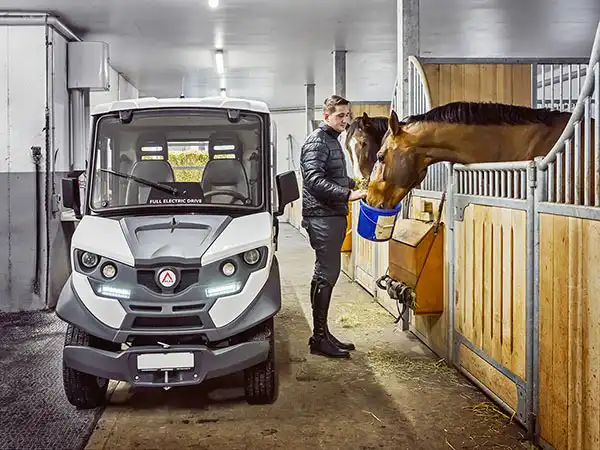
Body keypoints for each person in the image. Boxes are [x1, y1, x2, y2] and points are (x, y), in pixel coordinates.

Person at [300, 95, 367, 359]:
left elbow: (331, 175)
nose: (345, 120)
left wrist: (354, 183)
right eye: (340, 115)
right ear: (325, 116)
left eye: (348, 115)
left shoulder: (330, 140)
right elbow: (314, 180)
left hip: (330, 214)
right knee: (325, 274)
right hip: (322, 216)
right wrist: (347, 194)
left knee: (328, 274)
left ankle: (323, 333)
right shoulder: (317, 141)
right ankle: (318, 338)